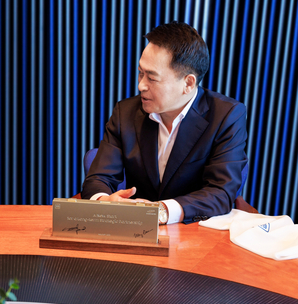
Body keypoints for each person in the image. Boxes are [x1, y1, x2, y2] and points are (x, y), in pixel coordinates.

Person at [81, 21, 247, 224]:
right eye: (141, 73)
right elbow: (97, 178)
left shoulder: (226, 116)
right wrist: (105, 201)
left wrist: (162, 211)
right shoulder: (125, 112)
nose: (141, 85)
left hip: (194, 235)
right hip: (134, 231)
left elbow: (221, 192)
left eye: (152, 78)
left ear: (188, 83)